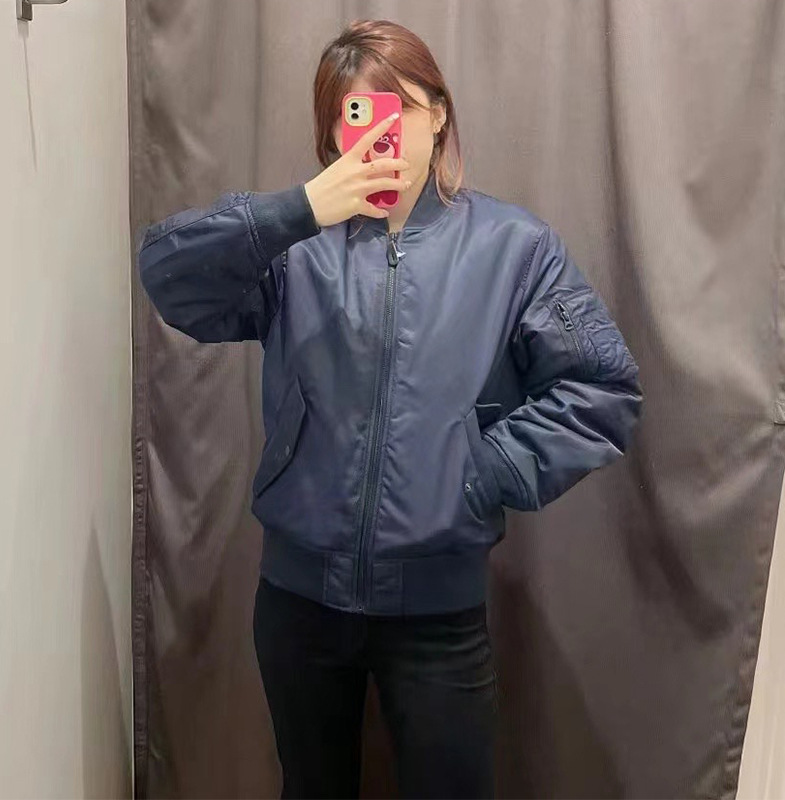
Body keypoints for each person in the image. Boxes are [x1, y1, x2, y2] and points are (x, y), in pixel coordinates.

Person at [136, 18, 644, 800]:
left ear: (438, 113)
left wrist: (482, 472)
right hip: (299, 604)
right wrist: (301, 208)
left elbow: (604, 387)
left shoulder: (514, 249)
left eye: (400, 108)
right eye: (357, 115)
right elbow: (169, 277)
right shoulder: (295, 251)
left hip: (440, 615)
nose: (382, 135)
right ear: (334, 131)